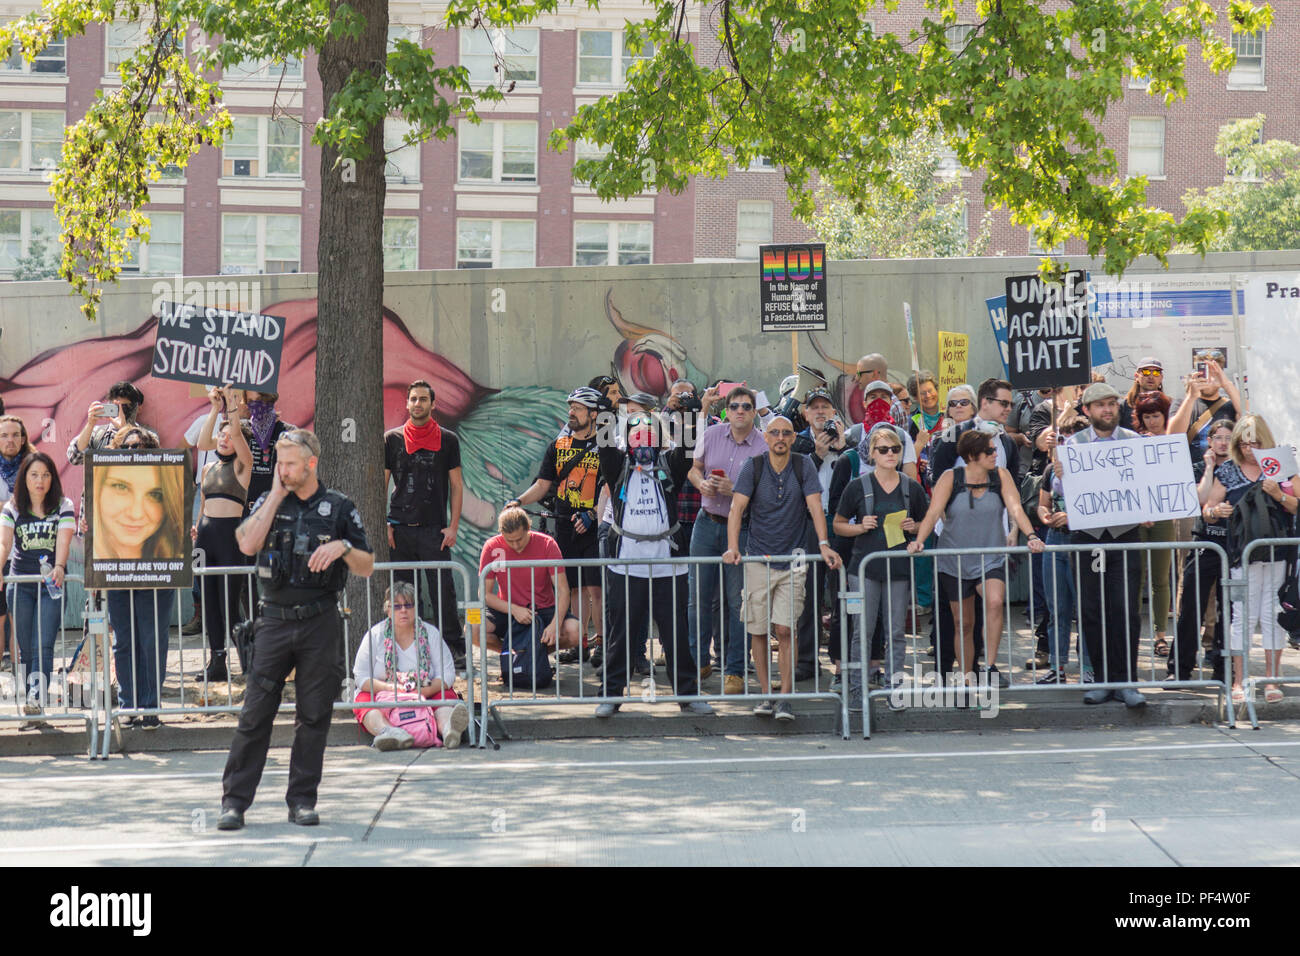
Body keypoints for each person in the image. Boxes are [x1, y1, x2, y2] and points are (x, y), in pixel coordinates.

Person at [218, 428, 374, 831]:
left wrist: (342, 547)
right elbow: (246, 544)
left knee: (313, 716)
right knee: (254, 715)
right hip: (273, 621)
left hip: (319, 621)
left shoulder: (338, 507)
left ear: (311, 463)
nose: (283, 470)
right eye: (280, 463)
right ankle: (234, 803)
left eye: (290, 463)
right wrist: (273, 495)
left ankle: (302, 800)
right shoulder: (270, 502)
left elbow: (367, 565)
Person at [594, 415, 714, 717]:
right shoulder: (617, 467)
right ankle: (610, 694)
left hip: (667, 563)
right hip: (627, 563)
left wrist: (689, 411)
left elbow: (688, 447)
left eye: (649, 436)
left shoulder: (669, 466)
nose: (643, 442)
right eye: (637, 436)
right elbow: (605, 444)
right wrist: (608, 411)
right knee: (621, 633)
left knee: (676, 631)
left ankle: (688, 694)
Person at [723, 416, 842, 720]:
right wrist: (733, 546)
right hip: (757, 558)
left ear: (792, 438)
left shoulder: (803, 466)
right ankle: (765, 696)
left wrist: (824, 543)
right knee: (759, 629)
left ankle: (785, 697)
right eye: (774, 432)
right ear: (765, 437)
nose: (780, 437)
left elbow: (816, 506)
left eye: (786, 433)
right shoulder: (754, 466)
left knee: (786, 628)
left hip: (795, 558)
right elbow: (737, 507)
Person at [910, 430, 1043, 688]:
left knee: (994, 601)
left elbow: (1015, 507)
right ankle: (968, 677)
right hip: (955, 560)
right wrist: (919, 540)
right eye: (990, 451)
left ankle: (991, 665)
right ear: (973, 456)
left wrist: (1030, 535)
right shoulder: (951, 478)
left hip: (991, 556)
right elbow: (933, 512)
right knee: (964, 622)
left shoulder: (1000, 476)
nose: (996, 454)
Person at [509, 387, 621, 667]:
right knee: (574, 588)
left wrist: (593, 516)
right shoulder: (559, 446)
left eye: (578, 408)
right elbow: (543, 484)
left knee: (597, 587)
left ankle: (603, 643)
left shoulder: (607, 445)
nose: (571, 412)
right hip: (565, 523)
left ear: (594, 414)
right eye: (570, 407)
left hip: (597, 525)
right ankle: (580, 643)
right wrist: (518, 500)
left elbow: (611, 483)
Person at [1052, 382, 1148, 708]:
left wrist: (1150, 509)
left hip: (1124, 536)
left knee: (1125, 608)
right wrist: (1060, 473)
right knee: (1092, 609)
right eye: (1100, 405)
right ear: (1088, 411)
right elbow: (1059, 491)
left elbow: (1147, 484)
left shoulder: (1133, 442)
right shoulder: (1073, 444)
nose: (1108, 410)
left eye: (1111, 404)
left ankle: (1127, 682)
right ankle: (1102, 680)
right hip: (1089, 539)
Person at [1200, 415, 1298, 703]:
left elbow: (1297, 506)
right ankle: (1239, 682)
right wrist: (1217, 512)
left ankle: (1271, 679)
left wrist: (1279, 494)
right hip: (1240, 554)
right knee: (1242, 615)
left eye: (1254, 443)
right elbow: (1208, 507)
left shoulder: (1280, 467)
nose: (1249, 449)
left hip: (1277, 552)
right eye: (1243, 443)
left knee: (1271, 613)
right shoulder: (1229, 471)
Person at [833, 427, 927, 710]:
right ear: (872, 454)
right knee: (863, 630)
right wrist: (860, 527)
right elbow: (838, 524)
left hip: (897, 568)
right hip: (863, 569)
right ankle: (857, 691)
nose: (890, 455)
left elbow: (928, 521)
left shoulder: (911, 487)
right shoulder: (858, 486)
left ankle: (894, 688)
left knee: (896, 631)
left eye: (895, 449)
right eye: (883, 450)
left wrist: (916, 528)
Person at [97, 425, 185, 727]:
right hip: (117, 571)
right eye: (128, 448)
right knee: (123, 641)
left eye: (141, 448)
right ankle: (128, 707)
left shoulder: (166, 477)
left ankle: (150, 707)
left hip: (158, 570)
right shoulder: (103, 479)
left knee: (152, 640)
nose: (134, 453)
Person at [688, 385, 767, 693]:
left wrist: (733, 489)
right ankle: (697, 663)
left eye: (746, 406)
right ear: (727, 409)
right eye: (734, 406)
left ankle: (735, 669)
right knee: (698, 598)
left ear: (753, 410)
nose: (739, 411)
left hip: (743, 528)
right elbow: (693, 470)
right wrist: (702, 485)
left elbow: (765, 495)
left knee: (739, 602)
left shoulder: (762, 446)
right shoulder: (710, 435)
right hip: (706, 523)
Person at [384, 380, 465, 664]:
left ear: (433, 403)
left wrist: (453, 527)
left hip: (434, 531)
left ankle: (453, 649)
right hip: (400, 530)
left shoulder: (448, 440)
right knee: (403, 595)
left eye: (423, 399)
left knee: (443, 592)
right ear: (406, 404)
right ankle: (407, 651)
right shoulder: (391, 439)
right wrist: (386, 525)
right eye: (413, 399)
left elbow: (457, 485)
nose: (417, 404)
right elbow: (381, 484)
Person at [352, 582, 469, 750]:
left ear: (415, 608)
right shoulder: (375, 634)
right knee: (362, 699)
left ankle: (449, 730)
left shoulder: (431, 633)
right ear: (388, 609)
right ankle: (389, 732)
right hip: (385, 691)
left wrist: (421, 692)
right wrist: (391, 688)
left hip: (424, 688)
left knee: (444, 694)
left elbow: (447, 674)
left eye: (408, 605)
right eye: (397, 606)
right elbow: (361, 677)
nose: (403, 610)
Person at [1, 452, 74, 713]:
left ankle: (36, 699)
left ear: (52, 478)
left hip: (51, 585)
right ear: (25, 478)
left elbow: (64, 539)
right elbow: (4, 542)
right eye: (34, 475)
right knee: (25, 645)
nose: (40, 480)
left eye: (45, 475)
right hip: (21, 584)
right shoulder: (13, 507)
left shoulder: (63, 505)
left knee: (43, 642)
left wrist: (60, 566)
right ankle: (32, 700)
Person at [479, 506, 583, 688]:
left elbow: (563, 590)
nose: (516, 545)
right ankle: (515, 657)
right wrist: (513, 609)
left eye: (520, 539)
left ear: (528, 528)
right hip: (508, 609)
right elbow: (484, 594)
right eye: (510, 540)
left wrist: (555, 625)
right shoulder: (492, 547)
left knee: (576, 632)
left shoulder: (547, 544)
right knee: (473, 629)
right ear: (501, 533)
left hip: (544, 609)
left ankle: (533, 658)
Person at [191, 386, 253, 682]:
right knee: (209, 602)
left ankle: (249, 658)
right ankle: (217, 661)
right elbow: (203, 441)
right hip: (205, 537)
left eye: (230, 436)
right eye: (222, 435)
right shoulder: (209, 468)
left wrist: (230, 406)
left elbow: (238, 435)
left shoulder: (243, 466)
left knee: (229, 602)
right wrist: (214, 408)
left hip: (231, 537)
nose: (225, 439)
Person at [1169, 418, 1235, 684]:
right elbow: (1200, 499)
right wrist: (1209, 468)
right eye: (1218, 437)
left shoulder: (1240, 469)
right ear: (1209, 441)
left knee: (1227, 611)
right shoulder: (1198, 467)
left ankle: (1224, 669)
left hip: (1232, 547)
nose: (1223, 443)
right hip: (1203, 543)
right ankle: (1179, 669)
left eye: (1229, 438)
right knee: (1190, 609)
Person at [792, 386, 848, 682]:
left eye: (825, 407)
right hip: (807, 524)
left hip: (840, 522)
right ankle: (806, 660)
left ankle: (841, 658)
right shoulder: (796, 444)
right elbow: (790, 483)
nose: (820, 412)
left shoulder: (849, 443)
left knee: (842, 593)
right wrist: (817, 455)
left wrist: (840, 449)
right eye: (814, 407)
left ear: (834, 413)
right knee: (807, 593)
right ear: (805, 413)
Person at [1034, 409, 1093, 683]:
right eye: (1062, 441)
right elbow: (1042, 504)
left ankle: (1089, 669)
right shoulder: (1049, 471)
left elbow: (1098, 508)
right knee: (1057, 608)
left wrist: (1073, 516)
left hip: (1082, 542)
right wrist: (1045, 516)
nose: (1066, 446)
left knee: (1086, 610)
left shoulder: (1092, 468)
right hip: (1055, 540)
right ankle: (1057, 668)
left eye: (1073, 441)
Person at [200, 390, 295, 510]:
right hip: (242, 510)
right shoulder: (241, 429)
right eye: (250, 401)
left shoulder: (288, 432)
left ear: (270, 400)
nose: (255, 405)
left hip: (274, 509)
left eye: (260, 401)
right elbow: (204, 444)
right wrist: (215, 408)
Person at [1134, 391, 1176, 659]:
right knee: (1136, 579)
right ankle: (1134, 634)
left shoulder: (1174, 442)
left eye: (1156, 416)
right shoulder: (1133, 443)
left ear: (1165, 416)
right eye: (1147, 417)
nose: (1152, 421)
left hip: (1163, 515)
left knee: (1160, 579)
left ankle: (1161, 635)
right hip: (1138, 516)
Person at [0, 414, 36, 663]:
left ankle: (19, 677)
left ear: (23, 439)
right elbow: (23, 504)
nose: (10, 440)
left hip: (25, 551)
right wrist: (14, 504)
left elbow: (38, 504)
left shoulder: (35, 466)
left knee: (18, 618)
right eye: (3, 435)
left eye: (15, 435)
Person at [1166, 359, 1241, 462]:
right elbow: (1173, 438)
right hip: (1195, 471)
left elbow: (1248, 419)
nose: (1207, 379)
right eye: (1203, 373)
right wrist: (1191, 397)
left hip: (1226, 472)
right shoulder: (1182, 403)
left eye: (1213, 374)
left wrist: (1226, 384)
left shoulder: (1231, 405)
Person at [67, 380, 148, 466]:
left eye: (124, 407)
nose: (120, 411)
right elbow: (75, 458)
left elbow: (147, 462)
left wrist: (124, 430)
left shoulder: (147, 435)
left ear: (136, 408)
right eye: (115, 407)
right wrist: (90, 424)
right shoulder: (97, 433)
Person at [1118, 357, 1178, 432]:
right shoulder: (1123, 406)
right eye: (1146, 372)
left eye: (1156, 373)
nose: (1151, 377)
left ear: (1161, 378)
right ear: (1136, 376)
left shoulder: (1171, 404)